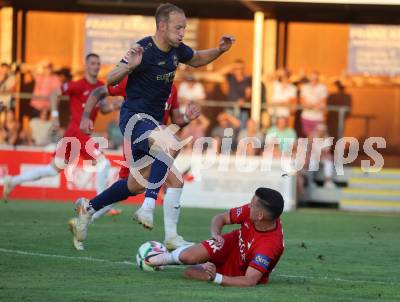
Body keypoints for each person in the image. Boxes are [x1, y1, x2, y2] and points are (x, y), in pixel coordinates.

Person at [72, 3, 234, 251]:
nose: (182, 32)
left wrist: (220, 50)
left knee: (149, 183)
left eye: (184, 28)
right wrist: (130, 65)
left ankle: (90, 208)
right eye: (179, 28)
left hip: (154, 128)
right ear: (162, 26)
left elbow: (199, 58)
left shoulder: (177, 51)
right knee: (170, 143)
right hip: (134, 121)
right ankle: (148, 208)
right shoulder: (142, 49)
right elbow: (111, 78)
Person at [75, 77, 196, 250]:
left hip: (157, 139)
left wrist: (186, 117)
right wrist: (86, 116)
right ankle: (156, 217)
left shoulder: (172, 89)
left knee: (133, 186)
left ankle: (88, 208)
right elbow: (99, 91)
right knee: (171, 167)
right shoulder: (137, 79)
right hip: (137, 137)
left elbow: (175, 120)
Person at [2, 54, 118, 208]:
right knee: (103, 164)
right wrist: (55, 115)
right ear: (86, 66)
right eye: (93, 63)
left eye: (98, 63)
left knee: (52, 170)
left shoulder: (100, 87)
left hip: (76, 135)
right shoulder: (77, 85)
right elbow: (54, 94)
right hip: (77, 132)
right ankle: (98, 206)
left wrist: (115, 106)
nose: (96, 66)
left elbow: (103, 109)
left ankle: (13, 181)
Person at [145, 187, 284, 287]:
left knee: (189, 272)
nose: (249, 206)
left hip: (239, 271)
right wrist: (216, 234)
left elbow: (249, 281)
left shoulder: (269, 246)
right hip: (231, 243)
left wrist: (216, 278)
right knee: (187, 257)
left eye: (252, 205)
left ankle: (202, 263)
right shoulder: (252, 212)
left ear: (260, 216)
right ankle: (166, 257)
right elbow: (221, 218)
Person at [300, 71, 328, 137]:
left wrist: (313, 105)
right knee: (309, 137)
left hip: (318, 116)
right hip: (306, 116)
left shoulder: (322, 87)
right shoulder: (305, 87)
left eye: (315, 79)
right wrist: (308, 105)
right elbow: (302, 100)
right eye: (312, 79)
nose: (313, 81)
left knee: (318, 137)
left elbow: (324, 100)